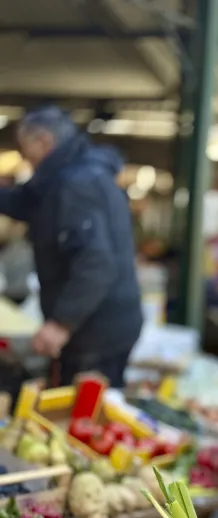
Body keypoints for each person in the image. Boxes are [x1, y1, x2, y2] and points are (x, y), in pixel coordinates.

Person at [0, 107, 143, 387]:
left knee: (81, 416)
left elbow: (95, 262)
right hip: (103, 323)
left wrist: (60, 324)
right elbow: (27, 202)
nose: (22, 156)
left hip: (96, 331)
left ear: (42, 141)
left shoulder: (75, 185)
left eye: (23, 146)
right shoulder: (65, 177)